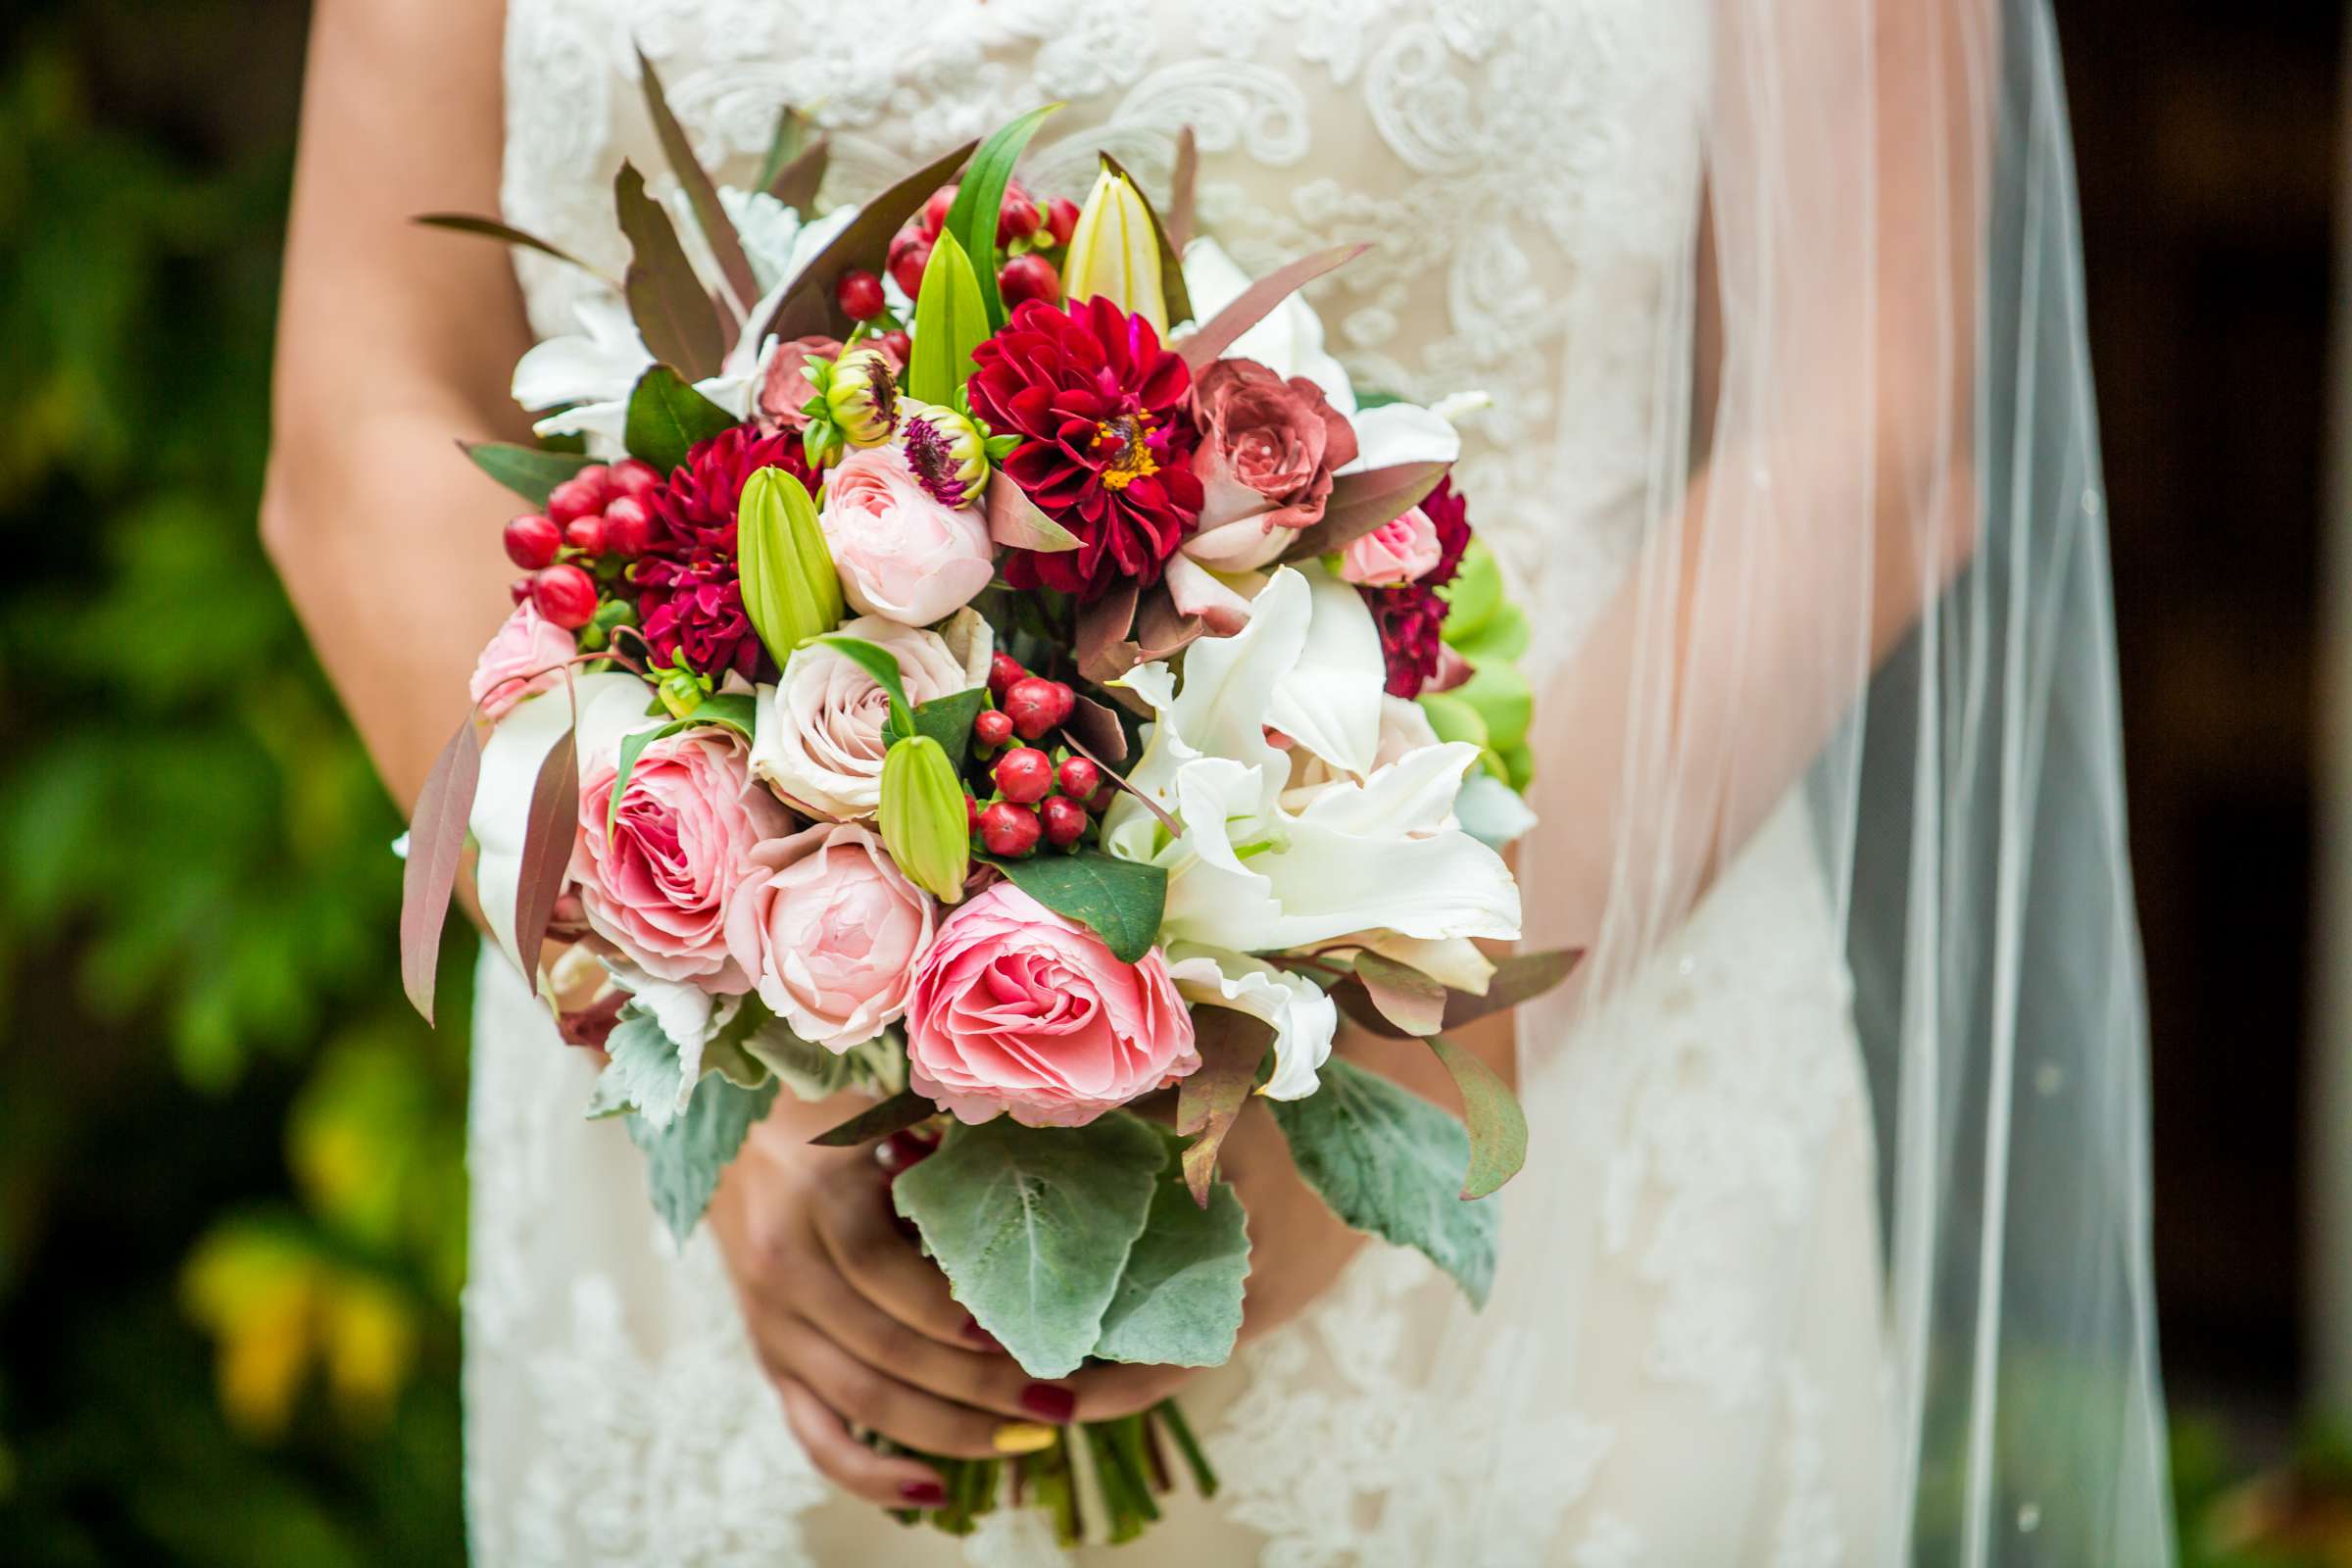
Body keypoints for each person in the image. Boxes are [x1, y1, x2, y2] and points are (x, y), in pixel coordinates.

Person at [264, 0, 2174, 1561]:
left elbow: (1866, 427)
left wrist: (1412, 1076)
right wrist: (721, 1032)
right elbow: (362, 402)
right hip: (753, 1221)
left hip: (1525, 1130)